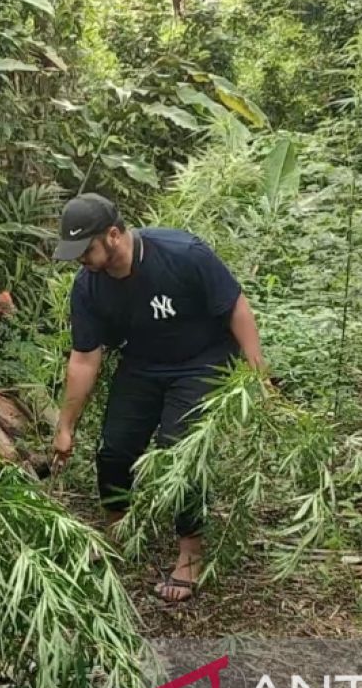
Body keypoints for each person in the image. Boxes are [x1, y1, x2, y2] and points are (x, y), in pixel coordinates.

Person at [49, 193, 265, 603]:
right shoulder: (89, 286)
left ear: (113, 235)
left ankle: (190, 553)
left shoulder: (182, 253)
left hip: (202, 360)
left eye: (86, 249)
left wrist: (256, 374)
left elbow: (235, 306)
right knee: (113, 450)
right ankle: (119, 532)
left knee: (178, 452)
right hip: (143, 364)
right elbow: (84, 359)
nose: (81, 260)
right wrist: (65, 427)